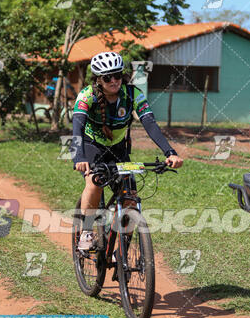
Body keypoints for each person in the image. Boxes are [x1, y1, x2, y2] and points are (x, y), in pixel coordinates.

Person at [71, 51, 183, 250]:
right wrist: (79, 156)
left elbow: (150, 123)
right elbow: (77, 126)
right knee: (94, 182)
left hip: (119, 150)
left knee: (130, 198)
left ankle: (120, 250)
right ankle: (87, 232)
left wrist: (169, 152)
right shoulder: (87, 95)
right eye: (107, 77)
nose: (114, 80)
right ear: (98, 79)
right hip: (92, 148)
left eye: (117, 75)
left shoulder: (133, 94)